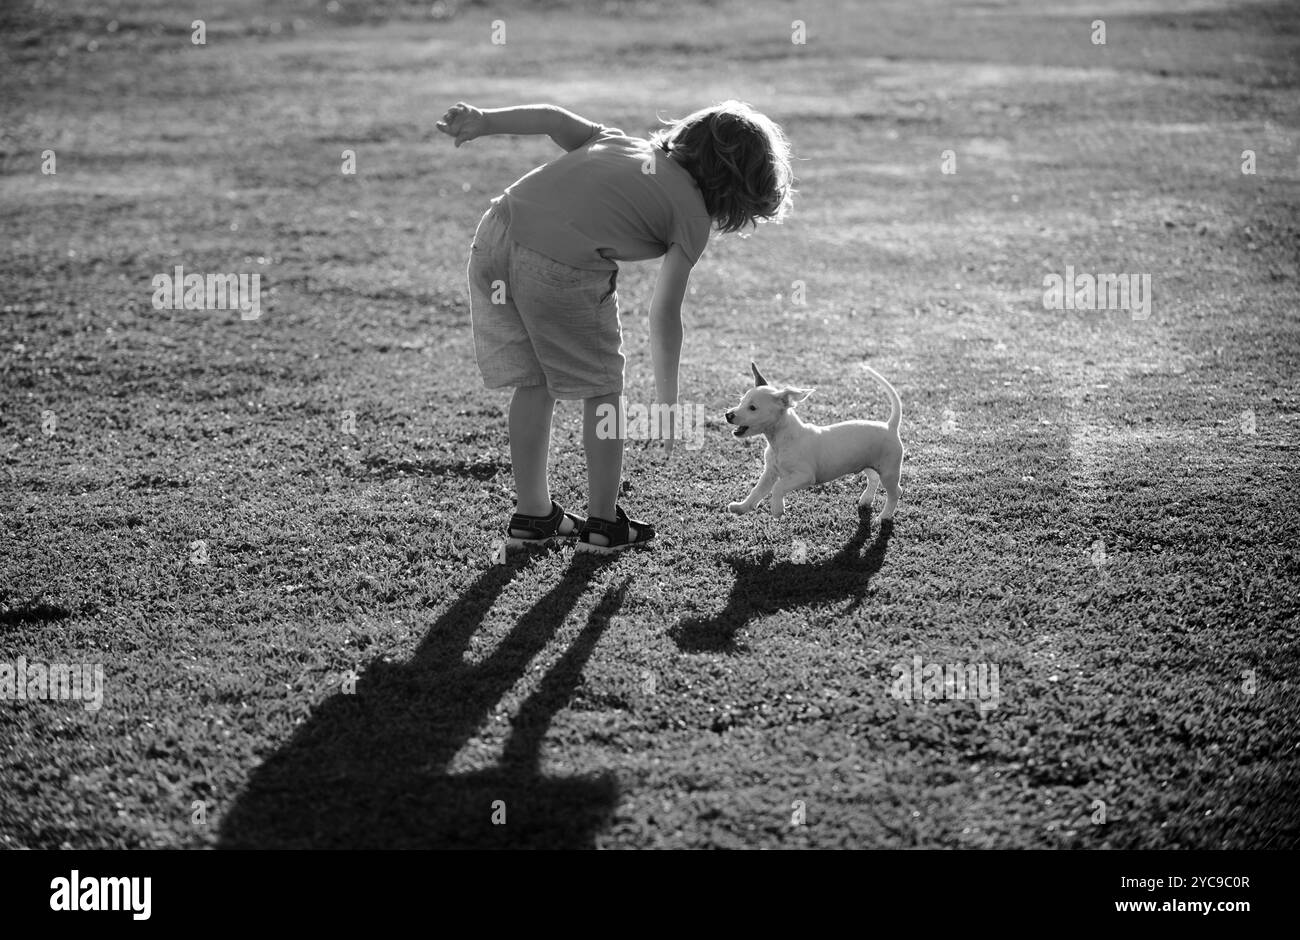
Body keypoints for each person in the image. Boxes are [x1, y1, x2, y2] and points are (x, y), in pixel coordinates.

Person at [438, 100, 794, 552]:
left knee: (534, 381)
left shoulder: (618, 141)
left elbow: (551, 119)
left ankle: (533, 515)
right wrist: (667, 406)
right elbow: (664, 315)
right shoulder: (692, 216)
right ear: (740, 186)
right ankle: (604, 523)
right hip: (558, 266)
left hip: (496, 232)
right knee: (603, 388)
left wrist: (485, 121)